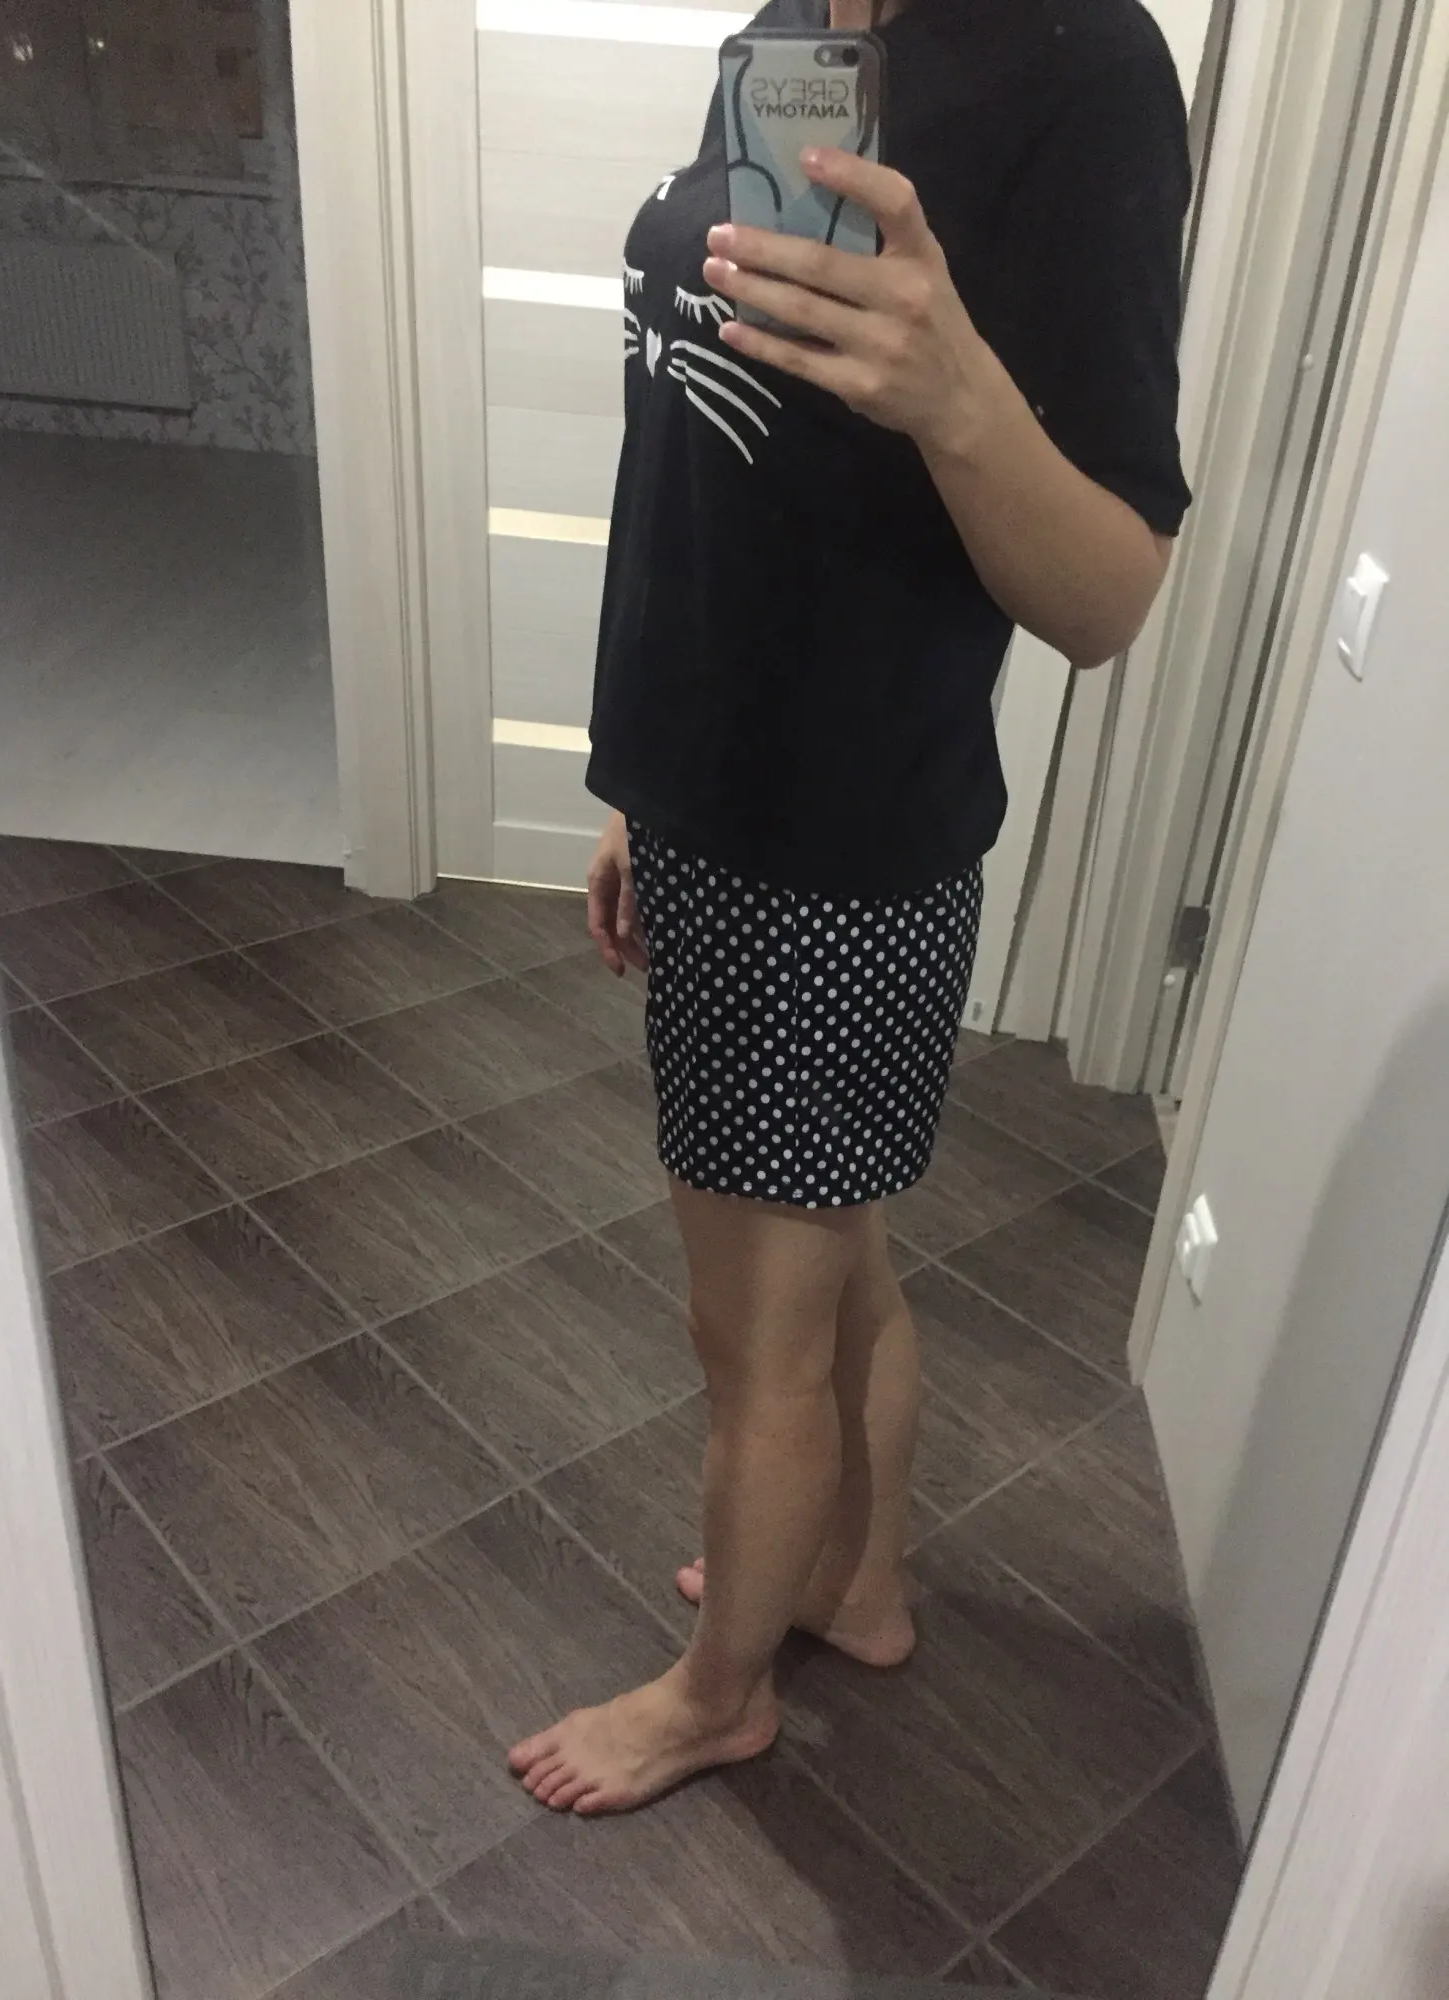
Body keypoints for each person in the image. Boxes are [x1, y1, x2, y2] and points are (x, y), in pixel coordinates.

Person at [509, 0, 1192, 1815]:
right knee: (834, 1265)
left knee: (753, 1336)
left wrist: (958, 391)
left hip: (826, 843)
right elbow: (716, 469)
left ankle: (717, 1699)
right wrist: (645, 788)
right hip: (720, 792)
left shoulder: (1083, 66)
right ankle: (852, 1586)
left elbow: (1112, 590)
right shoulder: (792, 29)